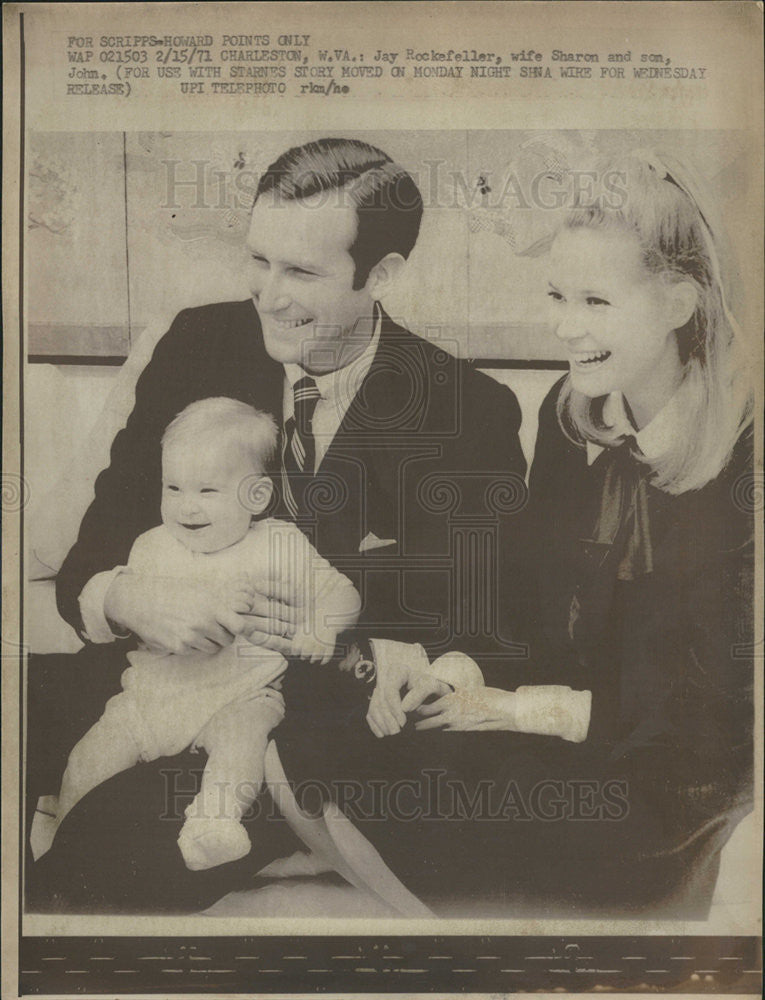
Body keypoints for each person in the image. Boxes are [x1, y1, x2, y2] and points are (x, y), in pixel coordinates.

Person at [27, 137, 525, 912]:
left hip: (297, 732)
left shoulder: (467, 409)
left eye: (301, 272)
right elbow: (92, 553)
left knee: (98, 857)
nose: (268, 294)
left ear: (381, 275)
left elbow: (476, 622)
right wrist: (126, 598)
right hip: (150, 679)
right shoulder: (195, 345)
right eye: (258, 260)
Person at [272, 149, 755, 917]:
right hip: (569, 729)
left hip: (672, 774)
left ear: (675, 302)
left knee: (550, 807)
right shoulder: (570, 417)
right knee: (341, 728)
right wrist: (458, 673)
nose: (564, 327)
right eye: (557, 296)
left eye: (595, 302)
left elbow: (706, 719)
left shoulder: (742, 460)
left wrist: (510, 710)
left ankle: (412, 875)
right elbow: (526, 599)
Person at [31, 397, 361, 871]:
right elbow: (111, 623)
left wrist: (319, 629)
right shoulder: (151, 546)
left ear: (258, 498)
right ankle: (61, 832)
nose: (186, 506)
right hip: (151, 698)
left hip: (241, 696)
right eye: (173, 487)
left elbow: (342, 593)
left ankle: (212, 824)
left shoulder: (279, 544)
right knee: (89, 758)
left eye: (207, 490)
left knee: (242, 746)